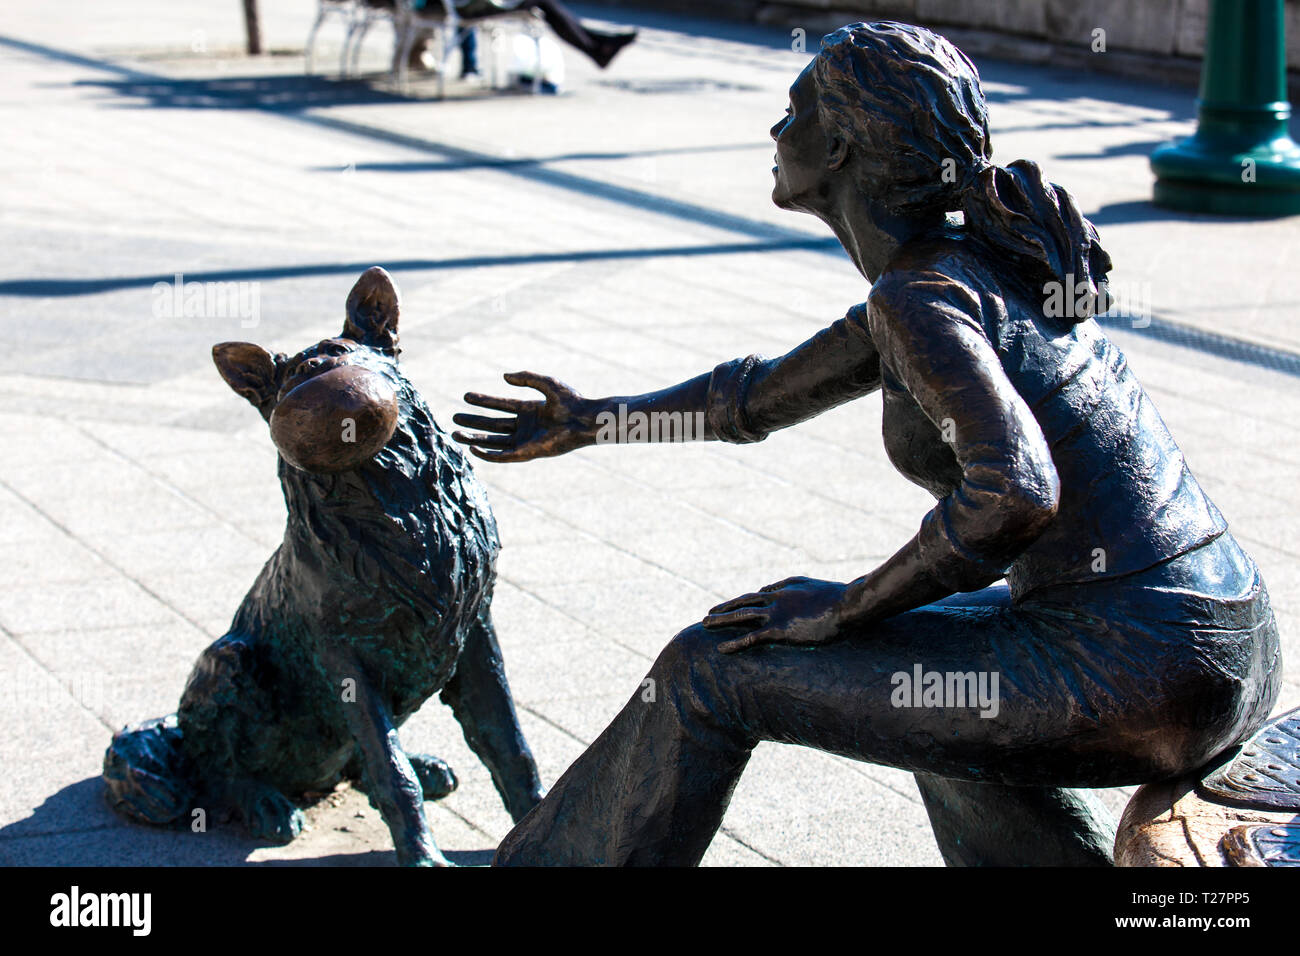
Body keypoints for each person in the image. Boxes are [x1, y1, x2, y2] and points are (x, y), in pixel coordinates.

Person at [453, 22, 1282, 866]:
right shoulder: (950, 269)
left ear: (841, 145)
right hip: (1215, 638)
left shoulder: (924, 295)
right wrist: (592, 419)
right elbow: (756, 396)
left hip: (1137, 665)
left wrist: (844, 605)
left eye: (793, 112)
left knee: (713, 667)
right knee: (923, 687)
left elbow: (1015, 492)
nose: (777, 135)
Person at [405, 0, 635, 72]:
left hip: (458, 5)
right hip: (463, 6)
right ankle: (597, 46)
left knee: (543, 3)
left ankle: (597, 44)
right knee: (542, 2)